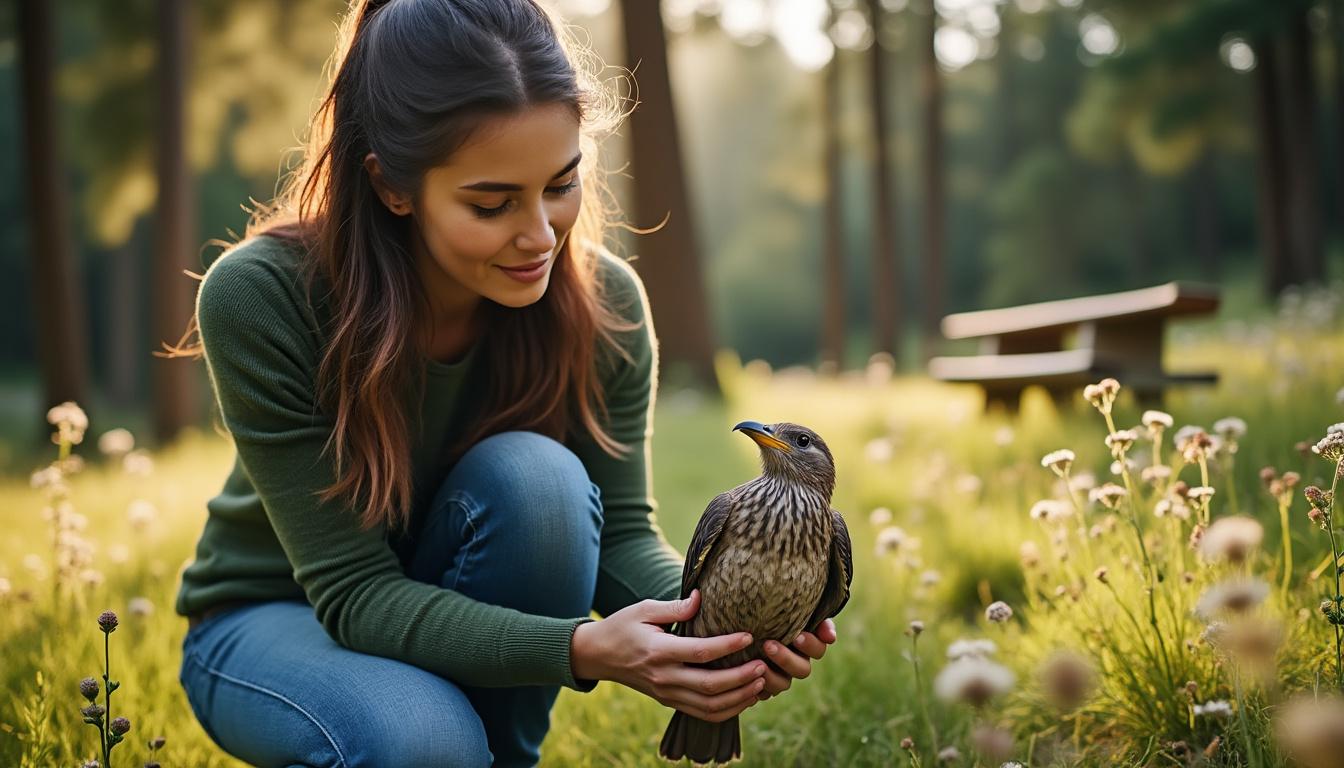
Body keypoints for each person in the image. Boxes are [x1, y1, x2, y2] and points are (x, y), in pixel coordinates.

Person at [170, 1, 837, 765]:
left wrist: (723, 634)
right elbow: (355, 595)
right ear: (392, 186)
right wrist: (583, 648)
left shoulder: (606, 303)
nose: (541, 236)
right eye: (492, 204)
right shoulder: (262, 297)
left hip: (452, 593)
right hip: (276, 615)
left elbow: (617, 534)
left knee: (540, 482)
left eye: (561, 184)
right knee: (423, 739)